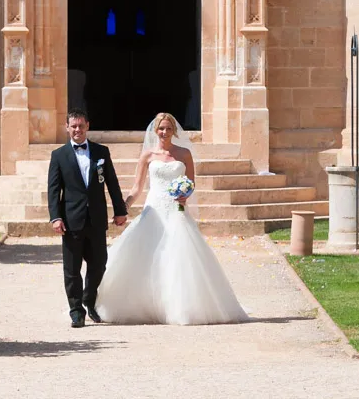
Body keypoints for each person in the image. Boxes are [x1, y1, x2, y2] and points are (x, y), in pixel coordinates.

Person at [95, 112, 249, 325]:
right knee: (144, 253)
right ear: (155, 130)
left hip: (177, 209)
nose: (165, 132)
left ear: (174, 131)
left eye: (168, 128)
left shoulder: (184, 153)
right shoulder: (147, 155)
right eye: (161, 128)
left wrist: (186, 194)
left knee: (180, 256)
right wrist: (125, 207)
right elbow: (137, 187)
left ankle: (181, 307)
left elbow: (191, 182)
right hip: (154, 209)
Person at [47, 109, 128, 328]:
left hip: (96, 218)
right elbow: (54, 190)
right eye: (73, 126)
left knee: (99, 264)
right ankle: (76, 311)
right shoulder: (59, 155)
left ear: (87, 126)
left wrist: (119, 210)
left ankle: (88, 300)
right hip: (71, 219)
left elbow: (112, 182)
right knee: (72, 269)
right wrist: (55, 217)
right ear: (67, 127)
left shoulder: (102, 152)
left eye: (81, 126)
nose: (77, 130)